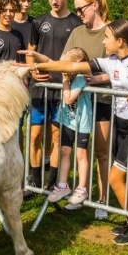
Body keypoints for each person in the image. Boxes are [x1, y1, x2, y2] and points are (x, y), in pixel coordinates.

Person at [19, 19, 128, 245]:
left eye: (107, 38)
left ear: (120, 40)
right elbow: (71, 67)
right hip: (120, 125)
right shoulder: (109, 62)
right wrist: (34, 67)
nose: (103, 42)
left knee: (116, 178)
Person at [26, 0, 82, 191]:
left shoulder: (76, 24)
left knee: (58, 135)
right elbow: (31, 52)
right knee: (35, 136)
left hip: (63, 89)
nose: (54, 1)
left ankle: (53, 183)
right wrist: (33, 72)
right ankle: (34, 181)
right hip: (40, 90)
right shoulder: (39, 22)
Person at [63, 0, 111, 217]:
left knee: (101, 152)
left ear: (95, 5)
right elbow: (65, 62)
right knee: (79, 150)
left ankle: (102, 200)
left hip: (102, 101)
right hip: (78, 104)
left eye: (81, 8)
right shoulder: (76, 32)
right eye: (76, 9)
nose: (78, 13)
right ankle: (81, 191)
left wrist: (103, 78)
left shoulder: (112, 31)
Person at [30, 48, 93, 205]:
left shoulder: (79, 77)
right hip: (68, 121)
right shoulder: (70, 74)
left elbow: (69, 99)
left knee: (80, 155)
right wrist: (34, 55)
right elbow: (50, 61)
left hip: (82, 123)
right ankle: (62, 185)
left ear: (77, 63)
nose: (63, 68)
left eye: (66, 65)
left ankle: (82, 188)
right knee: (65, 151)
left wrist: (64, 80)